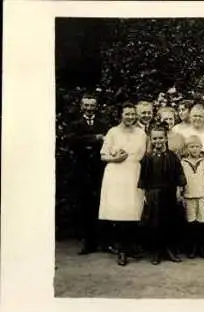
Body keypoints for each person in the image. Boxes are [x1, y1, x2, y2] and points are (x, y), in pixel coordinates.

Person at [98, 102, 147, 266]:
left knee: (133, 210)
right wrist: (114, 158)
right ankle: (122, 250)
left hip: (134, 172)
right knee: (119, 212)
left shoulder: (141, 133)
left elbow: (144, 155)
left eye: (133, 114)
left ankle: (131, 246)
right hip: (116, 174)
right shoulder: (112, 132)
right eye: (127, 114)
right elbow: (103, 156)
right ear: (121, 114)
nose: (130, 117)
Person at [66, 93, 108, 255]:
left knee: (101, 205)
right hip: (82, 170)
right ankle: (88, 243)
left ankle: (103, 242)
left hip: (99, 170)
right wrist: (94, 138)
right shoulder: (75, 124)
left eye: (92, 105)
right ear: (81, 106)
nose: (89, 108)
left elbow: (108, 142)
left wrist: (89, 140)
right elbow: (71, 141)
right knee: (85, 207)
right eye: (86, 105)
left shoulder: (102, 124)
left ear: (96, 106)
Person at [138, 125, 186, 265]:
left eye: (160, 138)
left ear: (165, 138)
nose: (158, 141)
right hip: (154, 194)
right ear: (151, 140)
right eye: (155, 138)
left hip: (169, 193)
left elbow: (179, 175)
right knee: (155, 223)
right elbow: (144, 177)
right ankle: (156, 252)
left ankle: (170, 250)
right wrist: (145, 193)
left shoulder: (172, 156)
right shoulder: (147, 157)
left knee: (170, 222)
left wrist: (178, 190)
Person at [181, 135, 204, 259]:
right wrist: (181, 194)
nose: (194, 149)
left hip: (202, 196)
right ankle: (192, 248)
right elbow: (181, 180)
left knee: (202, 222)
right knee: (191, 223)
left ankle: (202, 247)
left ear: (201, 147)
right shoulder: (183, 162)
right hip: (189, 196)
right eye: (191, 147)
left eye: (197, 146)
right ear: (187, 148)